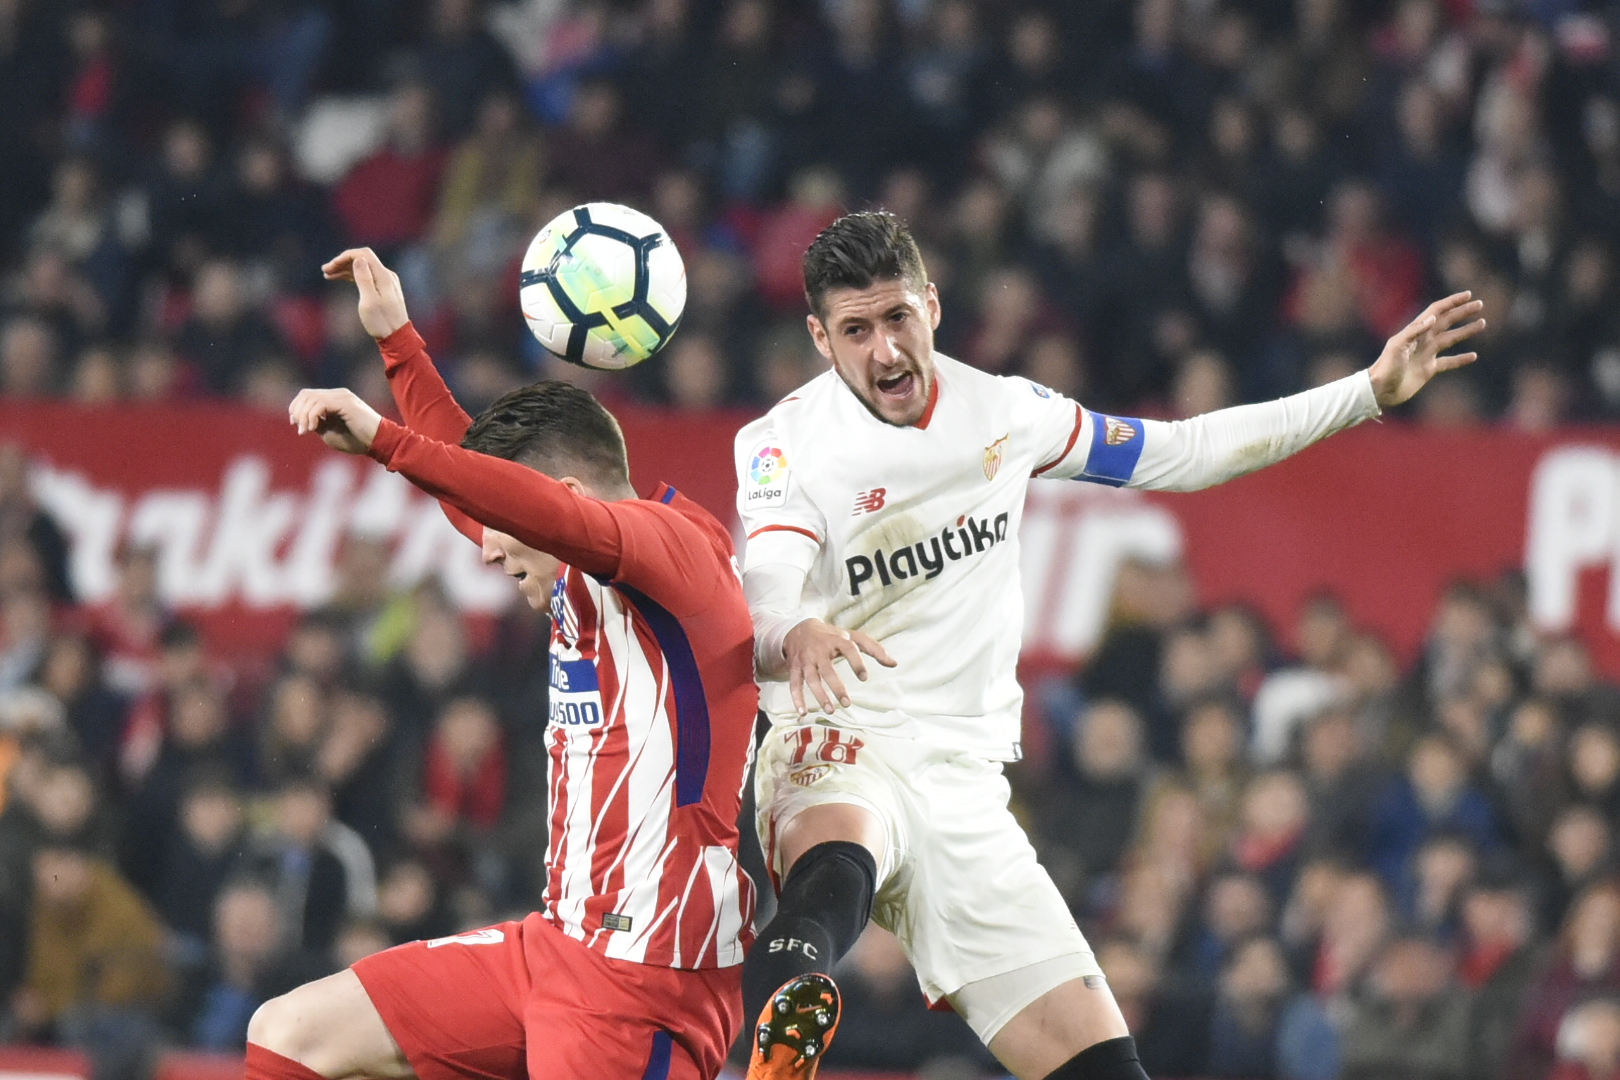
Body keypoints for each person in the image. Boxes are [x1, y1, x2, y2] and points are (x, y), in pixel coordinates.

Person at [734, 210, 1485, 1080]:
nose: (886, 351)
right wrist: (796, 631)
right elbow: (766, 596)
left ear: (933, 307)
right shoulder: (786, 448)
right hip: (840, 737)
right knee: (844, 843)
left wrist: (1367, 391)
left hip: (964, 789)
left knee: (1103, 1067)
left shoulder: (1005, 412)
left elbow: (1184, 452)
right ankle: (787, 1011)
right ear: (821, 339)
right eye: (856, 331)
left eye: (898, 318)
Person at [245, 247, 760, 1080]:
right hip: (553, 944)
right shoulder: (572, 570)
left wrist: (384, 440)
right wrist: (398, 345)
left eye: (505, 528)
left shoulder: (679, 557)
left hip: (645, 977)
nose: (485, 555)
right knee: (290, 1032)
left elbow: (517, 505)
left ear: (567, 498)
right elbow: (487, 497)